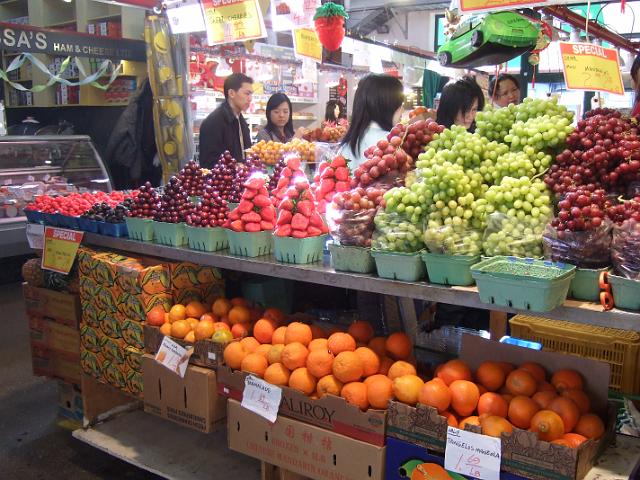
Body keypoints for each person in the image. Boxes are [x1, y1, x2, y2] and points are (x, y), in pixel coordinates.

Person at [339, 74, 404, 170]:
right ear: (387, 106)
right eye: (400, 104)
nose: (402, 110)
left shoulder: (347, 145)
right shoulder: (391, 145)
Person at [198, 73, 253, 168]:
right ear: (231, 93)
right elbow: (208, 162)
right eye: (247, 94)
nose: (250, 99)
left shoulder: (240, 120)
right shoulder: (214, 122)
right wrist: (235, 167)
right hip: (223, 181)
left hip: (240, 180)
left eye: (251, 94)